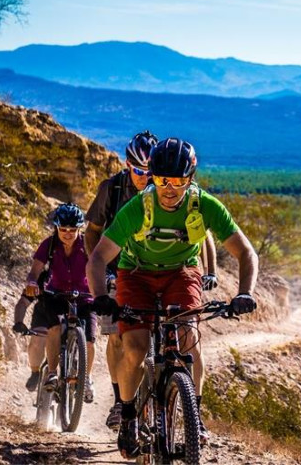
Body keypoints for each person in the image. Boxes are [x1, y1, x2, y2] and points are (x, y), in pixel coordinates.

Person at [87, 138, 257, 459]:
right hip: (135, 273)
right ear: (153, 177)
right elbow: (98, 258)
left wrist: (244, 292)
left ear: (190, 178)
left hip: (181, 273)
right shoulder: (137, 208)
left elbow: (245, 252)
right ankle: (127, 417)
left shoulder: (205, 205)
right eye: (162, 180)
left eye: (178, 181)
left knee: (189, 337)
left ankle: (195, 413)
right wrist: (100, 297)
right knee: (135, 347)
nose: (169, 188)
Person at [84, 130, 219, 430]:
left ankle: (180, 404)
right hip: (120, 268)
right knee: (120, 338)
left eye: (150, 172)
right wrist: (100, 271)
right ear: (127, 165)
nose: (144, 176)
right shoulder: (114, 189)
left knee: (179, 337)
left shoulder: (177, 190)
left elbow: (202, 233)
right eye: (138, 170)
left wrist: (210, 271)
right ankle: (122, 402)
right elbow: (92, 231)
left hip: (167, 270)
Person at [25, 203, 98, 402]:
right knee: (54, 328)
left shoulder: (87, 245)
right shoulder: (49, 244)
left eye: (72, 230)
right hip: (55, 295)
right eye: (63, 229)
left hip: (84, 297)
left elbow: (99, 264)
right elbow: (35, 270)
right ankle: (52, 372)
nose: (67, 233)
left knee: (90, 341)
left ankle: (87, 379)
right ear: (56, 227)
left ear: (79, 229)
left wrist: (106, 280)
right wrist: (32, 281)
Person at [12, 295, 48, 392]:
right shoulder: (43, 279)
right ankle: (35, 372)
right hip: (45, 308)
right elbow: (23, 302)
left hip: (70, 309)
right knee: (37, 340)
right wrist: (18, 322)